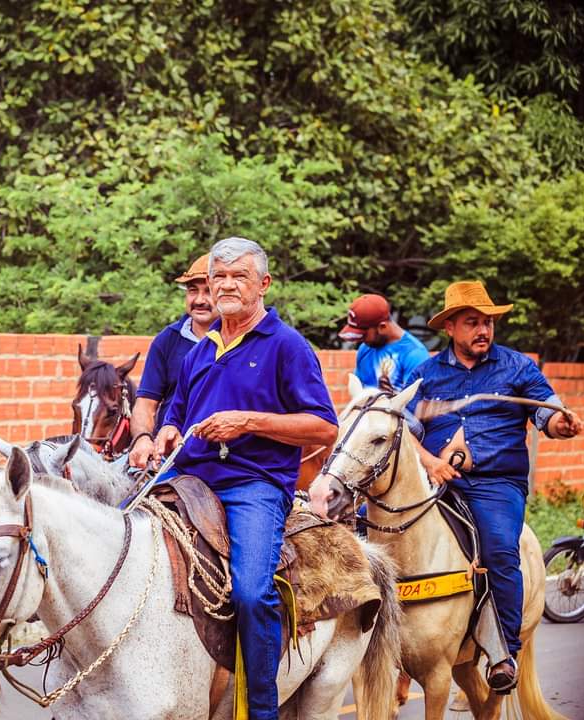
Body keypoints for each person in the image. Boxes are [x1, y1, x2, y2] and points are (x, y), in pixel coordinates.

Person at [154, 237, 339, 719]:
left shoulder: (286, 345)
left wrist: (248, 421)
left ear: (263, 284)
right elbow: (175, 412)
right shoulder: (201, 349)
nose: (228, 285)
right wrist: (168, 430)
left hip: (251, 485)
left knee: (251, 592)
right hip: (188, 480)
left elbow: (323, 426)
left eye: (239, 276)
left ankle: (262, 709)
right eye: (220, 278)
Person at [405, 280, 582, 693]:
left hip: (495, 484)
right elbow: (402, 426)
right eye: (472, 322)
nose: (483, 330)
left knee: (501, 549)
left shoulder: (517, 366)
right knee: (376, 528)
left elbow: (547, 414)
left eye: (488, 322)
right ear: (450, 327)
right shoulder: (425, 374)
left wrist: (561, 423)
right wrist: (429, 463)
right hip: (436, 482)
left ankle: (503, 653)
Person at [128, 254, 217, 468]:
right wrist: (142, 439)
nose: (199, 300)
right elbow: (146, 404)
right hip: (167, 456)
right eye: (192, 290)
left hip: (219, 458)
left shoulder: (242, 342)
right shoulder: (167, 340)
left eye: (208, 291)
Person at [338, 293, 429, 392]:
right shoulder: (365, 349)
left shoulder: (414, 354)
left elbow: (416, 403)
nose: (360, 340)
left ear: (382, 327)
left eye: (364, 335)